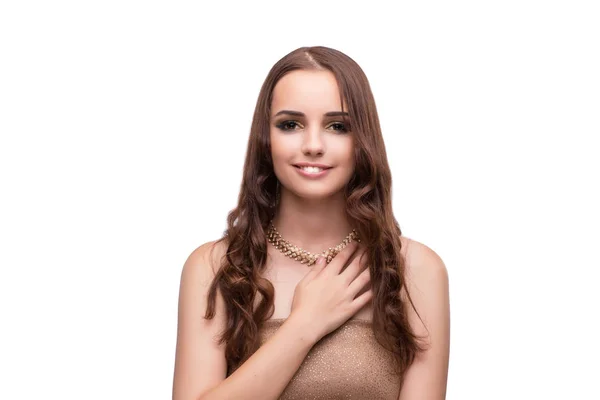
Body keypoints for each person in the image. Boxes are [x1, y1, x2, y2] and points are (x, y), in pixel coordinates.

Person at [172, 46, 450, 400]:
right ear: (265, 139)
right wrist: (305, 324)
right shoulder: (215, 268)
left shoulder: (416, 269)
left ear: (363, 139)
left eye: (337, 126)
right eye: (291, 125)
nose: (313, 145)